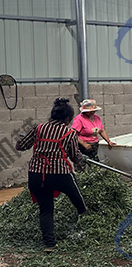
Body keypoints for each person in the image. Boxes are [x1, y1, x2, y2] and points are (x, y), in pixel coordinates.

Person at [15, 98, 87, 253]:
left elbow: (21, 146)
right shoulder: (69, 133)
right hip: (59, 174)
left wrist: (21, 140)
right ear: (67, 119)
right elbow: (74, 156)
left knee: (46, 210)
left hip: (36, 175)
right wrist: (83, 162)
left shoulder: (39, 128)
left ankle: (50, 244)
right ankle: (87, 219)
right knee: (77, 197)